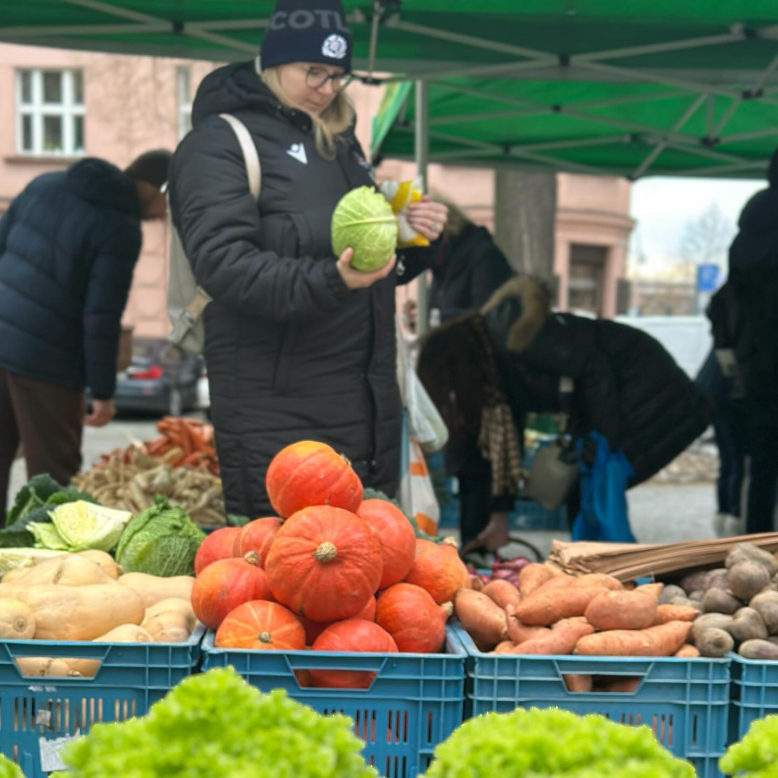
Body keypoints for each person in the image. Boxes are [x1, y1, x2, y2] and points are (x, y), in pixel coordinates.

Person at [168, 0, 447, 518]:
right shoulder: (219, 144)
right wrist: (333, 278)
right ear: (272, 63)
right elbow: (224, 265)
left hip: (365, 408)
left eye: (338, 76)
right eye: (313, 71)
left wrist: (412, 240)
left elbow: (366, 270)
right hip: (276, 412)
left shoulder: (341, 145)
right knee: (290, 574)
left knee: (364, 578)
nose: (327, 88)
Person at [417, 277, 711, 550]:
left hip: (654, 395)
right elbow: (496, 446)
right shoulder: (493, 359)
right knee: (592, 494)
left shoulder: (518, 341)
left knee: (598, 490)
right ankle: (600, 565)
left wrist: (601, 439)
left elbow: (597, 370)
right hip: (638, 396)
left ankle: (614, 571)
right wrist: (499, 516)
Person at [0, 150, 171, 525]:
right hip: (49, 361)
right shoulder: (119, 226)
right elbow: (101, 317)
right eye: (168, 203)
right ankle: (51, 574)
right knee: (53, 480)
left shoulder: (46, 184)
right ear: (157, 189)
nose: (164, 214)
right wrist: (103, 393)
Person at [708, 148, 778, 534]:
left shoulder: (747, 237)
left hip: (756, 370)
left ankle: (761, 544)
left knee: (761, 467)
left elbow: (724, 305)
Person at [695, 348, 746, 536]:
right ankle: (733, 513)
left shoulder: (726, 330)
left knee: (729, 460)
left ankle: (726, 513)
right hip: (729, 398)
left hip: (716, 397)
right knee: (736, 461)